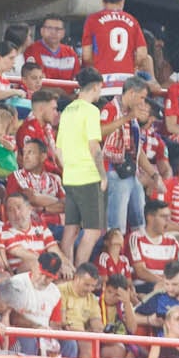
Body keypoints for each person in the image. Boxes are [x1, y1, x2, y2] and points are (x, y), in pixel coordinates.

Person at [57, 68, 107, 266]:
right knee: (93, 230)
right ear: (95, 87)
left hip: (70, 175)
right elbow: (94, 146)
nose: (100, 93)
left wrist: (69, 169)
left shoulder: (68, 110)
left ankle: (65, 269)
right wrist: (102, 175)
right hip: (88, 175)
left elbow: (58, 150)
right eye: (100, 89)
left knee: (71, 227)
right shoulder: (92, 111)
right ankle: (79, 272)